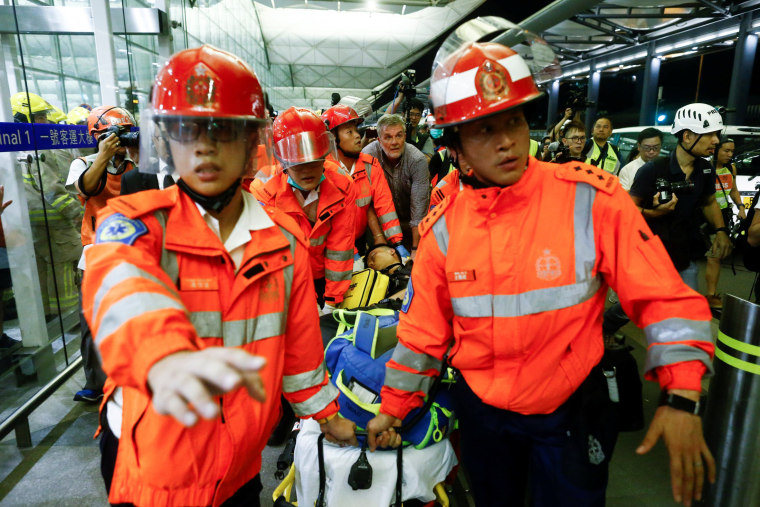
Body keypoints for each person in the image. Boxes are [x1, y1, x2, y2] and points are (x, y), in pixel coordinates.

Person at [367, 29, 716, 507]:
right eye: (485, 128)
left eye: (513, 120)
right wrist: (394, 407)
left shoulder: (591, 199)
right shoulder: (443, 229)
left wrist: (681, 396)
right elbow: (423, 332)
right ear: (455, 145)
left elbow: (663, 296)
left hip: (571, 410)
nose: (508, 141)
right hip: (484, 415)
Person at [82, 45, 356, 507]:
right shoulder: (133, 226)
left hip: (240, 464)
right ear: (167, 142)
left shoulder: (284, 240)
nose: (205, 146)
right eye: (188, 131)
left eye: (223, 131)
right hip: (156, 466)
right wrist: (166, 358)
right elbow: (120, 299)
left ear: (252, 142)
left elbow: (302, 350)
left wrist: (325, 415)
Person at [66, 105, 138, 403]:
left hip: (135, 253)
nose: (121, 142)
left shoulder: (137, 165)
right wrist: (104, 155)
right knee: (92, 323)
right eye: (115, 136)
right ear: (98, 136)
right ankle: (96, 383)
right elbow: (87, 188)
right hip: (96, 254)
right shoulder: (83, 163)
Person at [253, 106, 357, 311]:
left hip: (325, 277)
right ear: (282, 160)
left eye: (314, 161)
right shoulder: (264, 192)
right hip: (286, 283)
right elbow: (271, 258)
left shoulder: (342, 185)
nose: (307, 170)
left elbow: (340, 249)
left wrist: (332, 302)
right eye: (298, 163)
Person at [11, 92, 83, 321]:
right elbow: (51, 188)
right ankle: (68, 314)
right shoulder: (39, 147)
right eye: (39, 116)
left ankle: (48, 313)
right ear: (23, 118)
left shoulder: (15, 147)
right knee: (63, 264)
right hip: (53, 217)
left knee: (41, 268)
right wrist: (75, 212)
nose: (45, 121)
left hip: (29, 218)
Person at [321, 105, 405, 255]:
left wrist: (396, 241)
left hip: (359, 241)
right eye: (349, 132)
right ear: (332, 136)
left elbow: (384, 205)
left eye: (356, 130)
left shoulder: (370, 165)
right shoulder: (323, 170)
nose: (358, 135)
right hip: (331, 246)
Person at [362, 114, 429, 256]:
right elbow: (367, 204)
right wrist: (379, 239)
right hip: (379, 226)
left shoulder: (417, 160)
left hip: (411, 224)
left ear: (405, 136)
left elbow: (419, 207)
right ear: (379, 140)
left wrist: (416, 249)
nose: (394, 142)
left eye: (399, 136)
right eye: (388, 137)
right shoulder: (368, 157)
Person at [704, 138, 745, 310]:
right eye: (726, 150)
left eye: (732, 151)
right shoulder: (705, 168)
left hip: (721, 218)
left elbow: (733, 190)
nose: (730, 154)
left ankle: (711, 295)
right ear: (716, 150)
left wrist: (740, 206)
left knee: (715, 256)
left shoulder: (730, 168)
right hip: (703, 218)